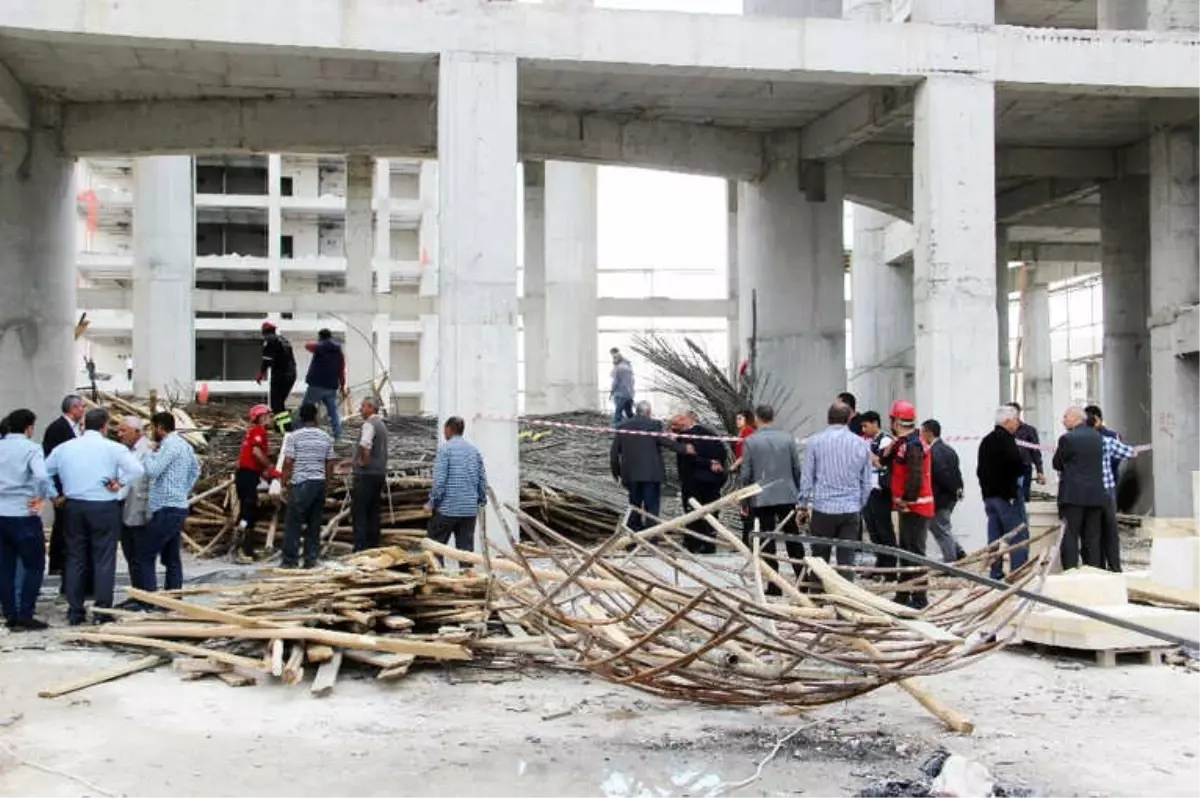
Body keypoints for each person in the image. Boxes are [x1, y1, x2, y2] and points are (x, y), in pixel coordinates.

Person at [45, 408, 144, 625]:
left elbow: (44, 473)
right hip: (103, 506)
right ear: (104, 426)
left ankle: (75, 610)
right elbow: (137, 469)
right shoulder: (113, 448)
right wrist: (120, 483)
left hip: (73, 505)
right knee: (104, 559)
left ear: (83, 425)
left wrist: (54, 495)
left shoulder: (65, 448)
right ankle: (101, 611)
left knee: (75, 558)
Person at [796, 403, 873, 577]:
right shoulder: (861, 444)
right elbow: (866, 482)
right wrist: (859, 504)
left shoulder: (815, 442)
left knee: (819, 560)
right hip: (850, 509)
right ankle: (845, 597)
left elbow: (807, 477)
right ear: (849, 419)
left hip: (823, 509)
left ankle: (817, 597)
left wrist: (802, 505)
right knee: (846, 561)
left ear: (828, 419)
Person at [740, 404, 806, 592]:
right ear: (772, 416)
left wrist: (745, 499)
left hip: (761, 497)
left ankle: (774, 583)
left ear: (756, 418)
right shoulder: (787, 439)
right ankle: (802, 579)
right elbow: (796, 468)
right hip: (787, 494)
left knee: (767, 541)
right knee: (793, 538)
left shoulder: (751, 442)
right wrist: (799, 493)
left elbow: (746, 473)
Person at [0, 409, 55, 631]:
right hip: (23, 512)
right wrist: (40, 498)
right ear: (29, 427)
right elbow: (41, 475)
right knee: (34, 564)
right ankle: (25, 613)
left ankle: (10, 613)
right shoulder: (31, 448)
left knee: (5, 566)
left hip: (1, 512)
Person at [880, 400, 933, 609]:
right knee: (906, 552)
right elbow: (887, 461)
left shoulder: (913, 445)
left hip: (915, 506)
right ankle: (903, 596)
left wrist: (906, 499)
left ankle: (919, 599)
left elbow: (916, 477)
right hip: (909, 506)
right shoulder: (904, 443)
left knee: (915, 554)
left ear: (895, 421)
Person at [140, 413, 200, 591]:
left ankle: (148, 598)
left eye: (152, 428)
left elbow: (153, 471)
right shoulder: (185, 445)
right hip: (177, 505)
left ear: (160, 427)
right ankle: (173, 597)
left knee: (145, 554)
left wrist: (148, 453)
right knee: (172, 558)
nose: (152, 433)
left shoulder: (169, 445)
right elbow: (195, 471)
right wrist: (183, 491)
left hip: (166, 506)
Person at [1052, 406, 1110, 571]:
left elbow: (1057, 463)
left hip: (1073, 496)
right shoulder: (1098, 437)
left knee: (1070, 535)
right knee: (1092, 537)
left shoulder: (1067, 439)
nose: (1063, 420)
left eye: (1066, 417)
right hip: (1095, 495)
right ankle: (1092, 571)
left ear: (1077, 418)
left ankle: (1071, 571)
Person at [281, 403, 336, 569]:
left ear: (301, 418)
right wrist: (326, 483)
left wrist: (285, 481)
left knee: (293, 522)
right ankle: (310, 559)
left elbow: (289, 461)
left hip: (301, 483)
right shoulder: (325, 437)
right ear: (316, 417)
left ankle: (290, 561)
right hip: (318, 482)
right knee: (314, 523)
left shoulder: (294, 437)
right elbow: (330, 462)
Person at [977, 406, 1029, 580]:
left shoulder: (986, 441)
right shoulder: (1006, 440)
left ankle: (995, 572)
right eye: (1016, 419)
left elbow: (980, 470)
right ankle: (1018, 572)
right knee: (1017, 535)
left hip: (990, 497)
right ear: (1007, 422)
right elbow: (1015, 465)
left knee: (995, 537)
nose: (1018, 423)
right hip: (1007, 497)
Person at [424, 416, 488, 557]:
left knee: (435, 549)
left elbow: (440, 482)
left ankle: (437, 575)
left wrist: (432, 502)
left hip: (448, 509)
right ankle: (467, 576)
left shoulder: (445, 450)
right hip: (469, 511)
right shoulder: (474, 451)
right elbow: (482, 480)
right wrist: (481, 500)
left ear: (448, 429)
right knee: (465, 553)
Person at [1085, 406, 1137, 572]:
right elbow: (1130, 453)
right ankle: (1114, 566)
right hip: (1107, 488)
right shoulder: (1108, 439)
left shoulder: (1072, 440)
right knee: (1110, 529)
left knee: (1093, 531)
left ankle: (1096, 567)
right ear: (1098, 421)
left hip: (1089, 491)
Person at [672, 410, 728, 554]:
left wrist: (708, 462)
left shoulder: (685, 436)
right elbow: (723, 452)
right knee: (711, 512)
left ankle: (694, 543)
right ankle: (710, 544)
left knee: (693, 512)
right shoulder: (710, 434)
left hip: (693, 480)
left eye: (682, 419)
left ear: (690, 420)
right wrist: (715, 463)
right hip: (712, 481)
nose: (679, 423)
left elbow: (690, 457)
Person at [610, 401, 668, 533]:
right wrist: (684, 448)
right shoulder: (654, 424)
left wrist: (617, 473)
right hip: (651, 476)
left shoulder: (623, 426)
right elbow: (665, 442)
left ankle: (632, 541)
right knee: (651, 509)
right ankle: (650, 540)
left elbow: (614, 454)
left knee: (634, 508)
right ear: (648, 412)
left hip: (631, 476)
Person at [43, 394, 84, 578]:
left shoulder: (75, 428)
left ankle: (65, 561)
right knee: (61, 525)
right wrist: (56, 491)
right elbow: (53, 462)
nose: (83, 411)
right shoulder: (58, 428)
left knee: (68, 525)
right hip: (62, 487)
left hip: (72, 485)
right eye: (81, 407)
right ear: (73, 409)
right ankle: (56, 563)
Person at [235, 405, 280, 563]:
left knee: (250, 513)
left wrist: (266, 473)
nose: (272, 419)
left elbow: (251, 459)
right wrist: (270, 468)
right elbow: (256, 453)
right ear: (262, 417)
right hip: (247, 476)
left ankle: (248, 550)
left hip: (247, 475)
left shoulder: (254, 432)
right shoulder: (258, 431)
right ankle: (240, 549)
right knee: (247, 513)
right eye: (269, 415)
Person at [859, 411, 900, 574]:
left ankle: (889, 565)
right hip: (868, 489)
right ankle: (880, 562)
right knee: (873, 528)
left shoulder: (885, 441)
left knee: (884, 528)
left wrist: (872, 458)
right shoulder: (869, 441)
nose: (863, 429)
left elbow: (882, 463)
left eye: (865, 425)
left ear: (875, 423)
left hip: (881, 490)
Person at [115, 416, 152, 591]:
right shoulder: (123, 450)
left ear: (137, 432)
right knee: (130, 553)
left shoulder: (148, 450)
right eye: (119, 430)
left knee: (140, 554)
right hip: (124, 506)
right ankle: (137, 591)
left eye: (124, 431)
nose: (119, 434)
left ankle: (145, 593)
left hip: (140, 508)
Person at [922, 419, 967, 562]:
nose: (921, 435)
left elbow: (942, 475)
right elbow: (957, 473)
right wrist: (958, 489)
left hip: (941, 496)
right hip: (950, 495)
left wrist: (953, 489)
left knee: (941, 529)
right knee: (941, 527)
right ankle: (957, 551)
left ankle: (951, 561)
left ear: (929, 433)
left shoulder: (934, 452)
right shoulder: (948, 449)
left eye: (922, 432)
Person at [352, 396, 389, 552]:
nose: (360, 409)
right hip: (379, 473)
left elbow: (365, 445)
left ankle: (360, 548)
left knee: (359, 511)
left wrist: (363, 461)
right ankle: (374, 546)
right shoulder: (382, 425)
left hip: (366, 475)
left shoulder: (369, 424)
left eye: (363, 406)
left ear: (371, 408)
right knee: (374, 511)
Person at [302, 328, 346, 439]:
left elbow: (307, 345)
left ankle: (298, 431)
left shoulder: (320, 347)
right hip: (331, 387)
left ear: (320, 337)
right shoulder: (339, 352)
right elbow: (341, 371)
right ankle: (338, 435)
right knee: (333, 412)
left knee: (305, 408)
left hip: (316, 385)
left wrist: (320, 344)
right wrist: (342, 386)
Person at [257, 321, 297, 432]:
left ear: (265, 333)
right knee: (279, 403)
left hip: (280, 375)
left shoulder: (270, 343)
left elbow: (266, 361)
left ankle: (284, 429)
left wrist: (261, 373)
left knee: (276, 404)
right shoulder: (284, 341)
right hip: (291, 375)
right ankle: (285, 427)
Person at [1007, 402, 1045, 501]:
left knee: (1022, 498)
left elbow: (1035, 451)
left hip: (1023, 468)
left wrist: (1040, 471)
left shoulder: (1029, 430)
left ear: (1018, 413)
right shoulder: (1002, 431)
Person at [609, 348, 635, 428]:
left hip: (620, 394)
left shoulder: (617, 369)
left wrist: (611, 392)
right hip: (629, 394)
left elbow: (615, 383)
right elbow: (632, 381)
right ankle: (634, 426)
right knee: (629, 412)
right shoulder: (628, 367)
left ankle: (615, 427)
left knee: (618, 412)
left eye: (613, 358)